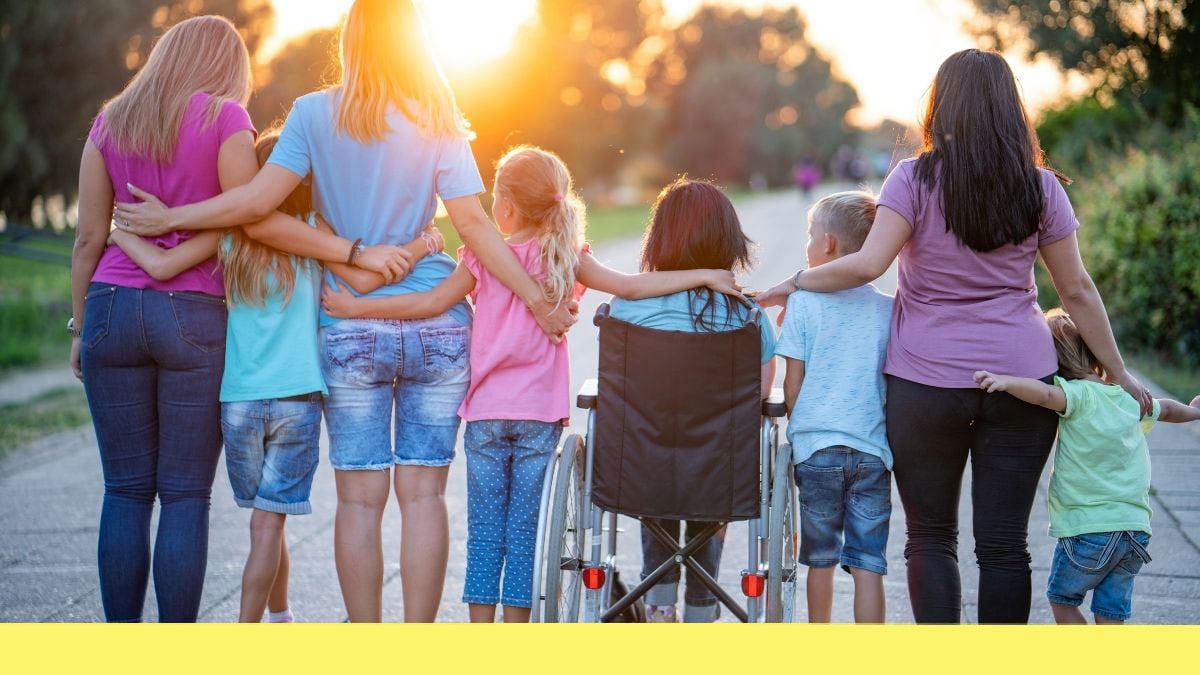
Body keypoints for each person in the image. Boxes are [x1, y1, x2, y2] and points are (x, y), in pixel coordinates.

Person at [111, 0, 576, 622]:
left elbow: (256, 205)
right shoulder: (437, 117)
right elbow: (476, 227)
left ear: (349, 42)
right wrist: (539, 302)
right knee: (424, 497)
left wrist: (173, 217)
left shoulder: (310, 114)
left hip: (351, 325)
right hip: (437, 331)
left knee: (360, 504)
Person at [755, 49, 1152, 624]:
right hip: (1020, 382)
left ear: (941, 108)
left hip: (924, 383)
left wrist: (790, 284)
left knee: (932, 537)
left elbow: (867, 266)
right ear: (1010, 109)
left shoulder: (913, 178)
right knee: (1003, 546)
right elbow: (1079, 292)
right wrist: (1118, 373)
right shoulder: (1040, 188)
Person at [69, 15, 403, 623]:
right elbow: (247, 218)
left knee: (122, 490)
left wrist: (78, 325)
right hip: (192, 319)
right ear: (226, 68)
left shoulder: (109, 119)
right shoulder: (225, 120)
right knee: (184, 495)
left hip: (109, 310)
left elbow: (89, 237)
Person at [322, 146, 742, 622]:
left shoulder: (482, 258)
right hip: (540, 419)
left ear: (504, 208)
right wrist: (706, 274)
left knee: (484, 533)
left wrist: (356, 309)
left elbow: (433, 302)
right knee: (523, 534)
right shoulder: (566, 257)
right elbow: (629, 286)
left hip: (485, 415)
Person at [106, 129, 445, 622]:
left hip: (239, 402)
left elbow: (160, 267)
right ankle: (248, 631)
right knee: (270, 522)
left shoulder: (229, 238)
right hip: (298, 401)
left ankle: (281, 614)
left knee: (267, 521)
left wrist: (115, 233)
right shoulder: (312, 233)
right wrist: (422, 244)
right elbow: (366, 277)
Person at [605, 178, 776, 623]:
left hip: (643, 466)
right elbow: (756, 400)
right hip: (718, 469)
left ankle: (659, 608)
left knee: (656, 473)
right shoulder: (748, 318)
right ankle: (702, 612)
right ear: (728, 242)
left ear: (658, 239)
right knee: (706, 477)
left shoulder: (624, 311)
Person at [974, 310, 1200, 625]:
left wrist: (1007, 381)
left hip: (1089, 529)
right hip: (1135, 531)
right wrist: (1194, 411)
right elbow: (1167, 410)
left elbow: (1043, 395)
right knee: (1110, 615)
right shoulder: (1127, 397)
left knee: (1062, 602)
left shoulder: (1078, 395)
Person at [776, 191, 893, 623]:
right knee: (868, 562)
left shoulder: (804, 303)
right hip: (871, 453)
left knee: (820, 558)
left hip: (818, 450)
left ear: (827, 243)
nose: (806, 244)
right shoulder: (887, 309)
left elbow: (793, 382)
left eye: (810, 235)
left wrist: (798, 419)